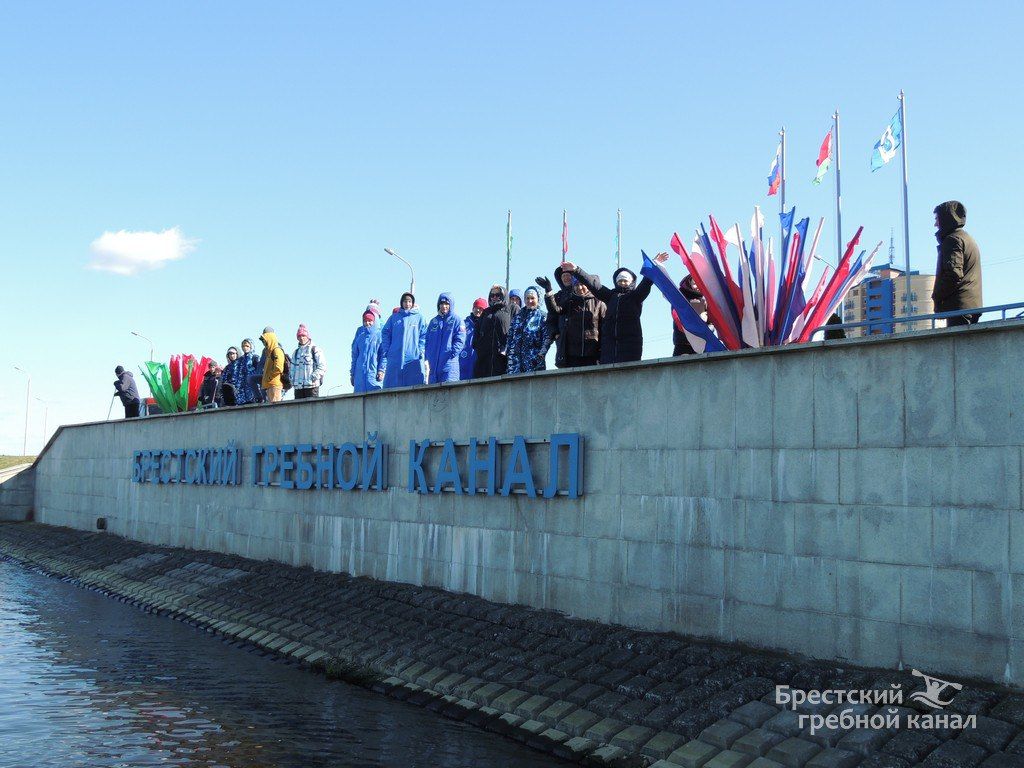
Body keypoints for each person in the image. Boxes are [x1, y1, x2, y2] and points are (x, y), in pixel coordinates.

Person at [561, 256, 664, 364]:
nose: (622, 283)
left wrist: (654, 264)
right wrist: (577, 270)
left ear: (631, 282)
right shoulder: (610, 296)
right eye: (620, 280)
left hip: (631, 348)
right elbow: (593, 284)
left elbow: (646, 282)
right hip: (608, 350)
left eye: (625, 280)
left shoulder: (636, 297)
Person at [539, 268, 604, 368]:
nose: (580, 288)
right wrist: (556, 334)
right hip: (568, 351)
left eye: (568, 275)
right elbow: (554, 313)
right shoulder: (564, 298)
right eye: (563, 276)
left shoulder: (598, 301)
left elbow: (604, 325)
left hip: (592, 352)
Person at [932, 200, 983, 326]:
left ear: (945, 219)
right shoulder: (967, 239)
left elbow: (954, 274)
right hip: (970, 305)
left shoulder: (953, 240)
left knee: (958, 345)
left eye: (937, 219)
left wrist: (937, 297)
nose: (935, 224)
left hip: (959, 307)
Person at [377, 292, 428, 388]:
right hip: (395, 357)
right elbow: (385, 333)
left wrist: (420, 350)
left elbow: (424, 335)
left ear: (412, 303)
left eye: (409, 301)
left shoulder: (419, 318)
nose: (407, 304)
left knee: (414, 385)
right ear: (401, 303)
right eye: (405, 301)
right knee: (393, 385)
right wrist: (387, 350)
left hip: (413, 357)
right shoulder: (394, 318)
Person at [506, 286, 551, 374]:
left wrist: (539, 357)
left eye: (532, 298)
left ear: (538, 299)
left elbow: (547, 339)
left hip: (534, 365)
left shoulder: (542, 316)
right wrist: (510, 356)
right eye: (527, 298)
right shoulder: (517, 317)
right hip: (515, 366)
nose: (530, 301)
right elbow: (510, 338)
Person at [424, 292, 466, 383]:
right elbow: (427, 341)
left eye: (447, 304)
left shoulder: (457, 320)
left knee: (449, 395)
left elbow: (460, 340)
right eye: (442, 303)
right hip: (434, 368)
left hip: (449, 367)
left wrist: (450, 354)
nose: (444, 306)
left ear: (451, 305)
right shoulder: (433, 321)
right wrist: (428, 356)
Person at [473, 284, 512, 378]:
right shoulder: (486, 312)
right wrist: (479, 347)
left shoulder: (512, 309)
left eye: (498, 295)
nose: (494, 297)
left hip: (502, 360)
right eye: (492, 295)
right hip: (484, 361)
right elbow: (476, 334)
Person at [351, 306, 384, 393]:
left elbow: (383, 355)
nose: (367, 323)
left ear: (374, 321)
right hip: (359, 377)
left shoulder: (379, 336)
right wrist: (352, 374)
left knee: (375, 400)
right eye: (365, 321)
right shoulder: (360, 337)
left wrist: (381, 370)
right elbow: (354, 356)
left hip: (373, 376)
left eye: (370, 321)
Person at [672, 275, 708, 355]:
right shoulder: (680, 298)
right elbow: (679, 316)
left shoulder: (704, 301)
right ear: (688, 284)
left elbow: (709, 322)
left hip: (702, 344)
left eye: (700, 283)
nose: (698, 286)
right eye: (695, 283)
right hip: (683, 344)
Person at [292, 323, 326, 399]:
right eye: (299, 336)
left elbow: (322, 365)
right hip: (298, 387)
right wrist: (292, 380)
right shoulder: (296, 352)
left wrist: (314, 377)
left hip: (312, 386)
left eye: (303, 336)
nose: (301, 338)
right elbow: (292, 368)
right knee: (298, 410)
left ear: (307, 336)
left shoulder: (315, 349)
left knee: (313, 410)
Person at [459, 298, 487, 381]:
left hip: (479, 364)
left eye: (481, 308)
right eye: (476, 307)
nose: (478, 310)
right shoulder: (463, 324)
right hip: (464, 364)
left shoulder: (486, 324)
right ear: (472, 308)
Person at [260, 326, 287, 402]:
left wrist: (269, 377)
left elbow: (278, 368)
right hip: (270, 385)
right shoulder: (269, 352)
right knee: (271, 409)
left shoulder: (277, 350)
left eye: (265, 340)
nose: (264, 342)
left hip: (275, 384)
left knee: (275, 409)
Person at [236, 338, 263, 404]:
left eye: (247, 346)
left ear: (251, 346)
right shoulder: (240, 360)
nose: (245, 348)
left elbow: (259, 372)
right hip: (242, 389)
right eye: (243, 346)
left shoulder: (255, 357)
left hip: (253, 387)